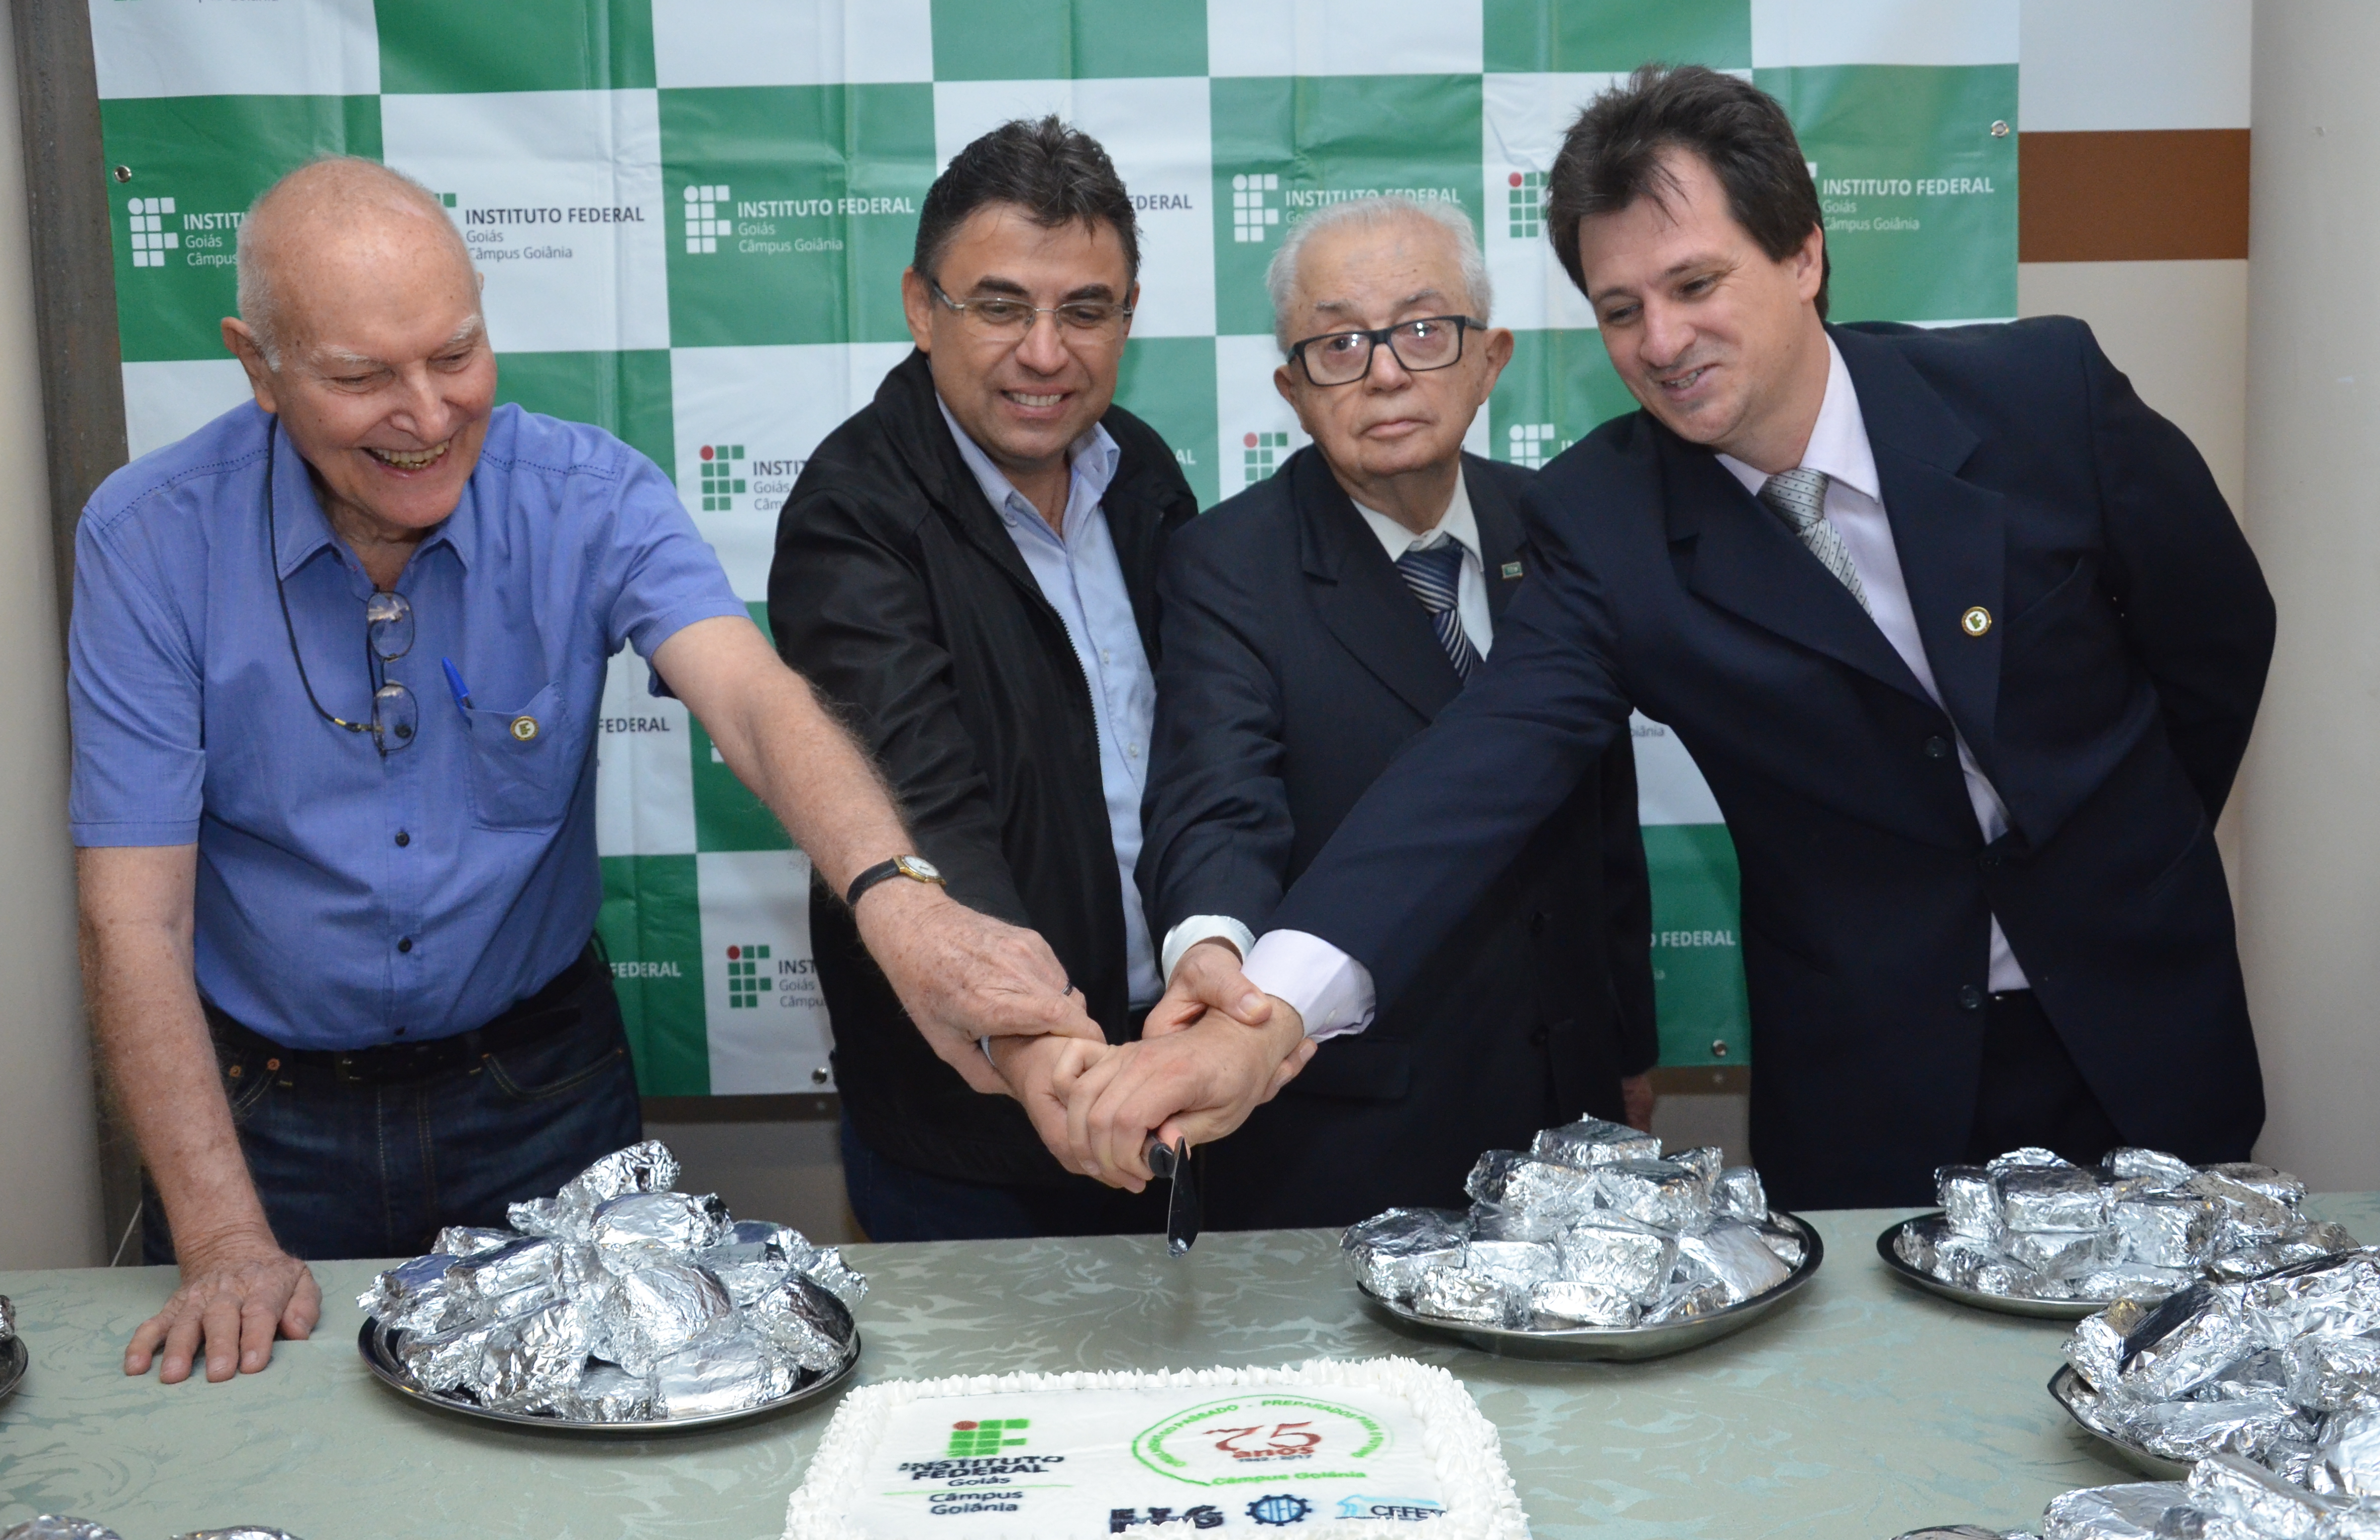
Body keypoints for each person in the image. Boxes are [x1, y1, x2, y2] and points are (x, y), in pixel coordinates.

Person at [1062, 63, 2276, 1211]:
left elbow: (2215, 638)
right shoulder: (1604, 523)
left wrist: (2119, 834)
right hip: (1876, 1086)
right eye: (1619, 309)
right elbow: (1470, 775)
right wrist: (1265, 1015)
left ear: (1802, 254)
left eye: (1695, 285)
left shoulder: (2035, 396)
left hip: (2141, 1029)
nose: (1659, 343)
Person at [72, 156, 1095, 1386]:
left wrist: (901, 898)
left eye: (456, 356)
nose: (428, 413)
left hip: (538, 1102)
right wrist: (226, 1236)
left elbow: (759, 705)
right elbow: (136, 914)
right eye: (361, 378)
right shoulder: (148, 537)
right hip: (259, 1124)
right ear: (259, 366)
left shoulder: (586, 492)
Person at [768, 117, 1301, 1239]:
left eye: (1086, 310)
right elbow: (915, 808)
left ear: (1128, 317)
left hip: (1171, 1078)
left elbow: (1209, 753)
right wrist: (1038, 1045)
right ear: (922, 307)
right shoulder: (850, 511)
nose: (1046, 353)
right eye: (1002, 306)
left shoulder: (1140, 470)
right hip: (976, 1132)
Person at [1137, 195, 1657, 1229]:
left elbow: (1605, 826)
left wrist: (1631, 1054)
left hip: (1572, 1122)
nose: (1384, 370)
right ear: (1291, 387)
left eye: (1423, 330)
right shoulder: (1226, 566)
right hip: (1354, 1133)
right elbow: (1216, 798)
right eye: (1338, 343)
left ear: (1489, 357)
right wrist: (1212, 947)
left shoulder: (1559, 529)